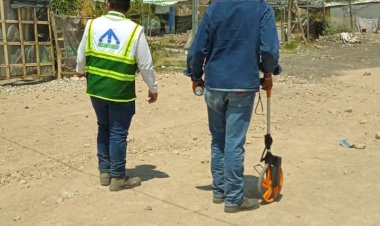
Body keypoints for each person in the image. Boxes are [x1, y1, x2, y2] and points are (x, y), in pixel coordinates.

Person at [185, 0, 281, 213]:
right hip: (241, 85)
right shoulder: (262, 9)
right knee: (234, 143)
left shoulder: (214, 8)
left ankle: (219, 190)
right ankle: (234, 198)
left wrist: (195, 76)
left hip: (214, 84)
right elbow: (269, 50)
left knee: (218, 140)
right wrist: (268, 73)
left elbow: (197, 49)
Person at [76, 0, 158, 192]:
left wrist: (80, 70)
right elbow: (145, 64)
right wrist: (152, 87)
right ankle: (118, 177)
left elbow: (81, 54)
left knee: (103, 128)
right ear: (128, 7)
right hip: (121, 92)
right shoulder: (135, 30)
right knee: (118, 133)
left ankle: (105, 173)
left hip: (96, 89)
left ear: (107, 4)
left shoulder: (92, 24)